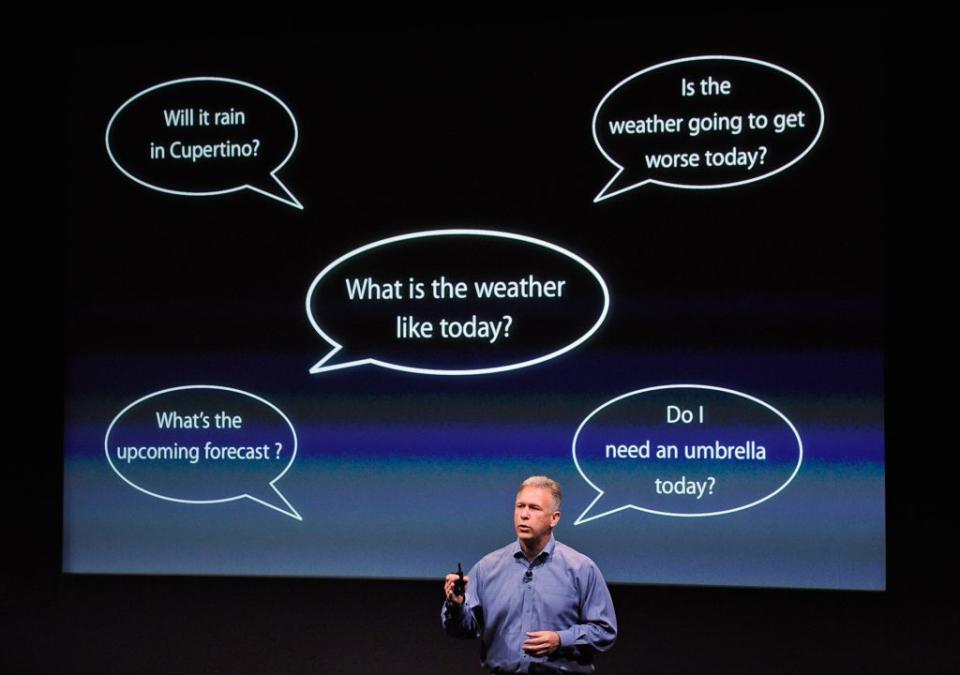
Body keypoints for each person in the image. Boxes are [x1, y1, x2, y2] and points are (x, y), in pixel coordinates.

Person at [442, 476, 617, 673]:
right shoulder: (487, 568)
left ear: (554, 518)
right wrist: (456, 605)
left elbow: (605, 631)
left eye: (534, 508)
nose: (524, 515)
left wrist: (561, 639)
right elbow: (463, 630)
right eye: (520, 506)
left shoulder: (581, 569)